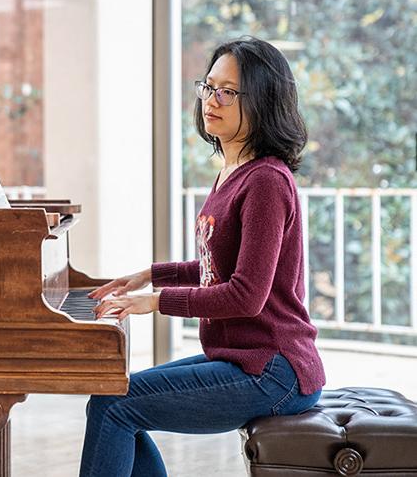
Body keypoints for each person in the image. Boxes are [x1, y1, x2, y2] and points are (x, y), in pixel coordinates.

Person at [79, 37, 326, 477]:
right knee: (116, 400)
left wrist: (156, 301)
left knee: (115, 406)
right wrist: (147, 276)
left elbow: (245, 295)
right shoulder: (233, 173)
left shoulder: (267, 181)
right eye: (208, 87)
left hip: (273, 371)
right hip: (245, 357)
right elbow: (219, 270)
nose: (211, 101)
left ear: (263, 101)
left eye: (227, 92)